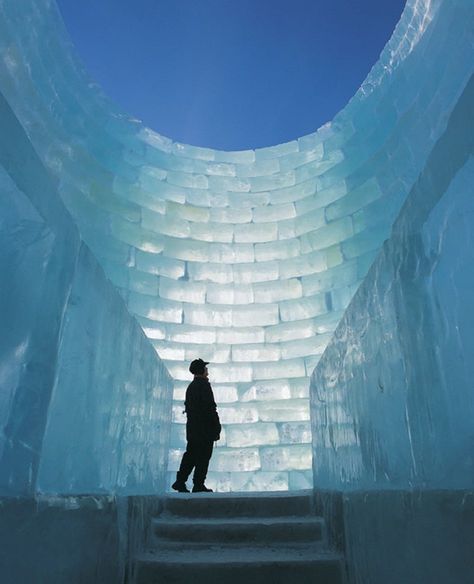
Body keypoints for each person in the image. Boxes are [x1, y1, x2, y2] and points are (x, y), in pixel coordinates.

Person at [172, 358, 221, 493]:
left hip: (193, 429)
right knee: (204, 457)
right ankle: (198, 484)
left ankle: (180, 481)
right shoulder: (204, 385)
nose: (207, 372)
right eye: (206, 369)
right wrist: (216, 427)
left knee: (191, 455)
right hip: (205, 429)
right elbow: (210, 408)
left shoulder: (191, 387)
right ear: (202, 370)